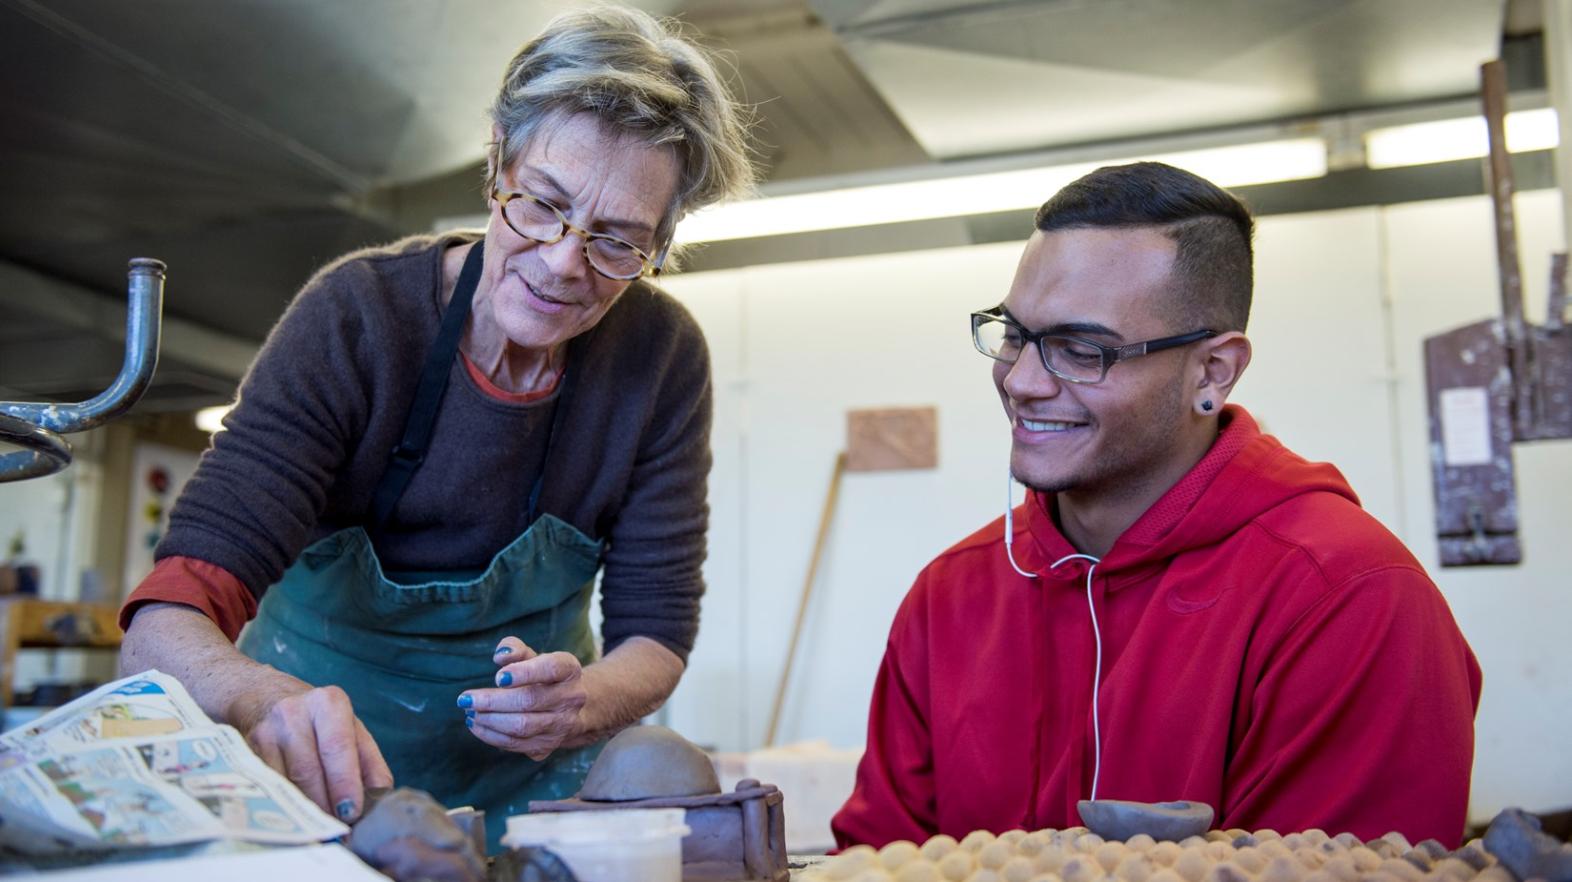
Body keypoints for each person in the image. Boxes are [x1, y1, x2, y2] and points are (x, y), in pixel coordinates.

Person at [117, 6, 754, 849]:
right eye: (542, 205)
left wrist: (581, 704)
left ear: (661, 242)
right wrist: (261, 699)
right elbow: (164, 626)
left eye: (617, 242)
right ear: (497, 160)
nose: (565, 261)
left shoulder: (661, 359)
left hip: (538, 797)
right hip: (324, 786)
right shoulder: (359, 320)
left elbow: (656, 630)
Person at [831, 162, 1482, 848]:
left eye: (1080, 350)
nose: (1020, 382)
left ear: (1212, 372)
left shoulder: (1347, 599)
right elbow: (880, 860)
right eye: (1016, 335)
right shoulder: (951, 597)